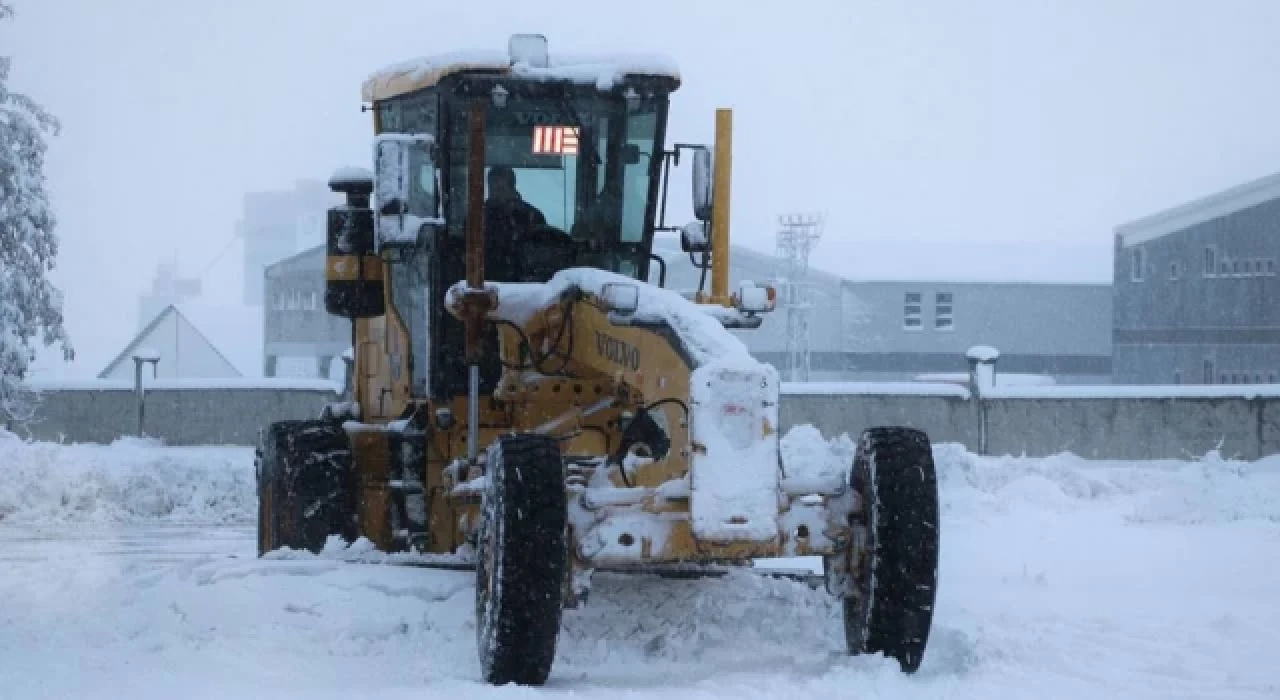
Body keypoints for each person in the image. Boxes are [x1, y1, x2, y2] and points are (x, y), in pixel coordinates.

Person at [484, 165, 546, 234]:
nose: (496, 195)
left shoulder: (532, 216)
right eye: (492, 189)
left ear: (512, 189)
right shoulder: (481, 214)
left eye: (500, 189)